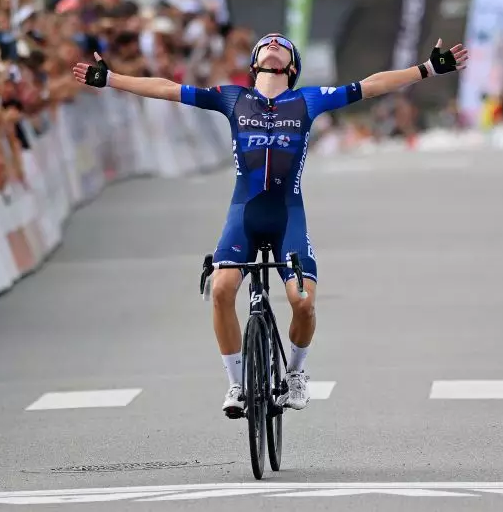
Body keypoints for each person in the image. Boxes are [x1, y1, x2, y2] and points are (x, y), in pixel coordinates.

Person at [72, 32, 468, 416]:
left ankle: (295, 373)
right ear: (255, 62)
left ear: (291, 66)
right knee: (223, 289)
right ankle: (237, 383)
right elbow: (166, 89)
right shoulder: (232, 98)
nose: (275, 44)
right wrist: (111, 78)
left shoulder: (307, 100)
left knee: (304, 303)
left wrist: (427, 69)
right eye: (268, 43)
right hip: (243, 213)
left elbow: (371, 85)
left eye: (283, 44)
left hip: (286, 215)